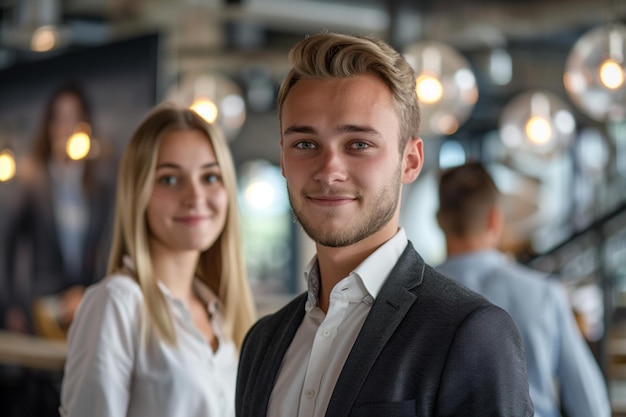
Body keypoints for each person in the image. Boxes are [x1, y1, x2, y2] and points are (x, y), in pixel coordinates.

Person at [236, 32, 534, 417]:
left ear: (410, 161)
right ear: (282, 159)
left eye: (359, 144)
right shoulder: (262, 342)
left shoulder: (468, 332)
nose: (329, 170)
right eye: (305, 144)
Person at [60, 105, 256, 417]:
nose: (195, 196)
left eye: (210, 176)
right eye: (168, 179)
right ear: (138, 192)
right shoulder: (117, 303)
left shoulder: (221, 311)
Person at [435, 161, 611, 417]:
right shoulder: (544, 294)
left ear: (439, 221)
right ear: (495, 219)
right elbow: (591, 406)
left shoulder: (411, 297)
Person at [4, 83, 114, 336]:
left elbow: (109, 243)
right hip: (43, 299)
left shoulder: (99, 183)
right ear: (49, 125)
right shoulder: (33, 181)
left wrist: (90, 290)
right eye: (60, 118)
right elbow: (8, 243)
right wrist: (11, 304)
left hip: (86, 297)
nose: (66, 126)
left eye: (74, 117)